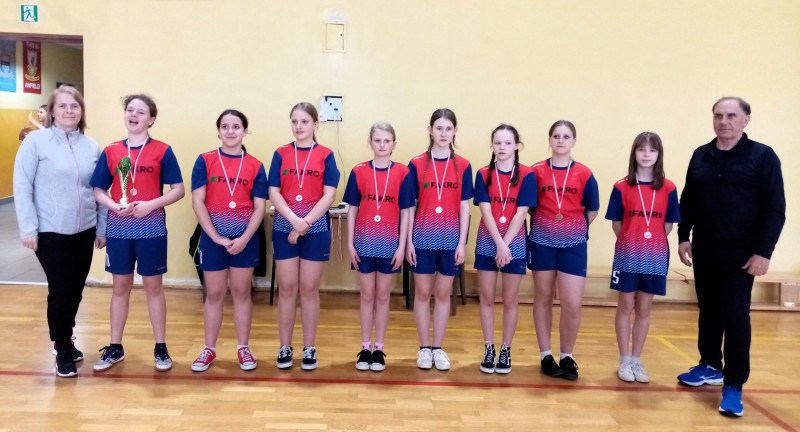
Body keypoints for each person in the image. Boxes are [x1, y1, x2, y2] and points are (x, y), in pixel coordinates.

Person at [677, 97, 785, 417]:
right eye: (718, 115)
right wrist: (683, 236)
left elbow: (775, 209)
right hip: (705, 249)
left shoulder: (762, 157)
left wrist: (763, 252)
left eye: (731, 115)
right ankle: (710, 364)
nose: (724, 121)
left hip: (742, 254)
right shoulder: (701, 155)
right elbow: (688, 199)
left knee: (736, 315)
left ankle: (734, 384)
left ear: (746, 120)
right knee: (709, 310)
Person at [13, 86, 107, 378]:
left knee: (75, 289)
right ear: (52, 111)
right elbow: (22, 186)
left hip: (85, 230)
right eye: (63, 106)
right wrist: (29, 228)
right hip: (50, 230)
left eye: (74, 106)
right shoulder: (36, 143)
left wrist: (102, 227)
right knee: (61, 287)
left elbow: (100, 189)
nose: (69, 110)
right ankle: (63, 348)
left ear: (81, 111)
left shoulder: (91, 147)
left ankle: (65, 335)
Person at [90, 94, 185, 372]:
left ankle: (161, 347)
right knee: (120, 287)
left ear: (151, 119)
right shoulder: (111, 151)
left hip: (151, 229)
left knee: (154, 288)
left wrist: (150, 205)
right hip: (118, 229)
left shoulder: (163, 150)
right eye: (130, 110)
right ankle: (115, 346)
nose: (134, 115)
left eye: (141, 111)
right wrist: (113, 206)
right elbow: (98, 190)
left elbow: (178, 190)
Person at [190, 109, 267, 372]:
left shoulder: (255, 165)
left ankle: (243, 348)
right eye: (225, 126)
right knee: (214, 293)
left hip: (245, 239)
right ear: (218, 131)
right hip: (213, 239)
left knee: (241, 292)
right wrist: (214, 236)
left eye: (236, 126)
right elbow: (198, 201)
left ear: (245, 131)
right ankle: (209, 349)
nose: (230, 131)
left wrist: (244, 238)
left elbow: (259, 207)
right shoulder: (205, 160)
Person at [268, 102, 339, 371]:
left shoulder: (326, 155)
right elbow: (273, 192)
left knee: (309, 289)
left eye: (305, 121)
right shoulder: (281, 153)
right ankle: (284, 346)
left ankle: (309, 347)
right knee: (287, 289)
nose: (299, 126)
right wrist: (294, 221)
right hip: (284, 227)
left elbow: (329, 195)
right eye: (295, 121)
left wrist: (305, 223)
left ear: (315, 125)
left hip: (315, 229)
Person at [606, 132, 680, 383]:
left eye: (652, 150)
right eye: (641, 149)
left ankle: (637, 360)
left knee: (645, 307)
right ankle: (624, 359)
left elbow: (668, 225)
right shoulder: (621, 186)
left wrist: (650, 241)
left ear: (659, 154)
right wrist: (633, 241)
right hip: (627, 254)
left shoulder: (669, 188)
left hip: (655, 256)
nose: (646, 154)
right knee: (625, 306)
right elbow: (617, 224)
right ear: (634, 153)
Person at [528, 120, 599, 380]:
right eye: (556, 136)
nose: (560, 140)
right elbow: (529, 207)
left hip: (573, 245)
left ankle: (567, 355)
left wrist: (571, 228)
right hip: (542, 242)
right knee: (543, 297)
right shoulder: (536, 172)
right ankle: (545, 355)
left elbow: (592, 209)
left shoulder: (584, 173)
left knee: (572, 303)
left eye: (566, 136)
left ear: (573, 141)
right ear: (550, 139)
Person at [406, 108, 473, 371]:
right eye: (439, 128)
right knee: (422, 293)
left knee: (444, 294)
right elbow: (410, 206)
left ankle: (438, 347)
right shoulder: (416, 164)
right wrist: (409, 242)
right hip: (421, 238)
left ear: (455, 131)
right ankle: (424, 348)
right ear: (430, 130)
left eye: (448, 129)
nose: (443, 133)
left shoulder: (463, 165)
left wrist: (461, 243)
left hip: (450, 239)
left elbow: (465, 207)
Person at [344, 122, 413, 372]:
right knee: (367, 295)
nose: (382, 145)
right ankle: (365, 348)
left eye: (386, 141)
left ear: (394, 144)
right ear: (370, 142)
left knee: (383, 296)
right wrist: (350, 243)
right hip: (363, 242)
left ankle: (379, 349)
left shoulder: (403, 172)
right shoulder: (359, 171)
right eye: (377, 140)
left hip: (390, 244)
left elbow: (406, 212)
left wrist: (402, 247)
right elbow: (352, 209)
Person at [473, 124, 536, 374]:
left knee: (510, 300)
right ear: (492, 145)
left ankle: (506, 349)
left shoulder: (528, 175)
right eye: (498, 143)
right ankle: (489, 347)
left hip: (515, 243)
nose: (502, 147)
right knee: (487, 298)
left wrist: (505, 245)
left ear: (517, 146)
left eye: (508, 143)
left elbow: (521, 213)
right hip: (488, 241)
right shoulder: (482, 174)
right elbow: (486, 211)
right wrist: (499, 244)